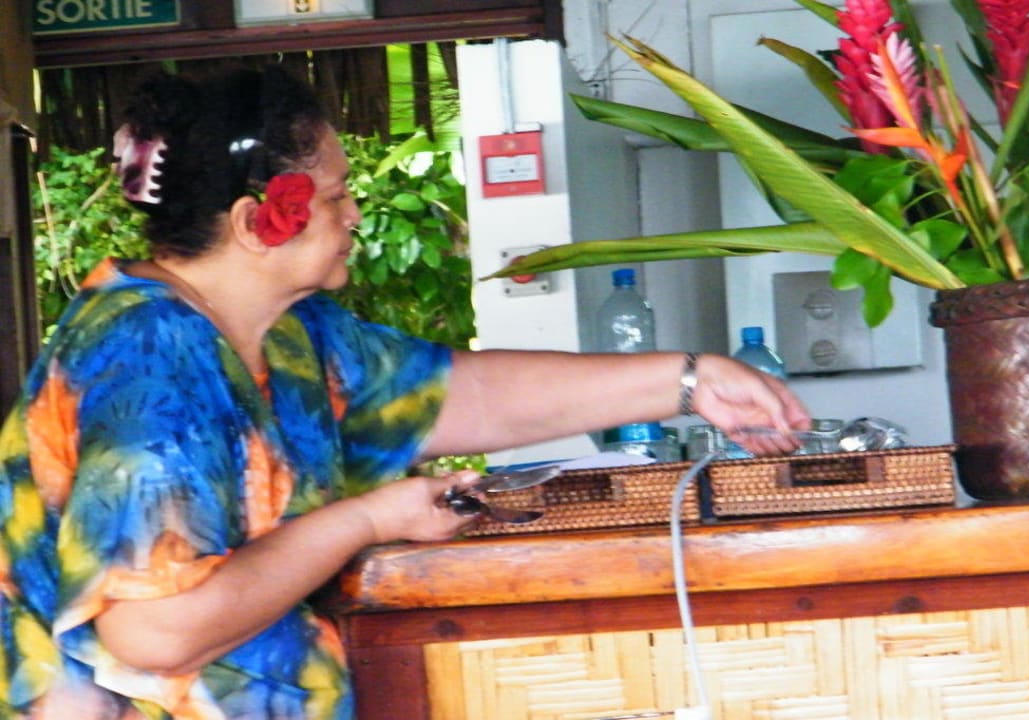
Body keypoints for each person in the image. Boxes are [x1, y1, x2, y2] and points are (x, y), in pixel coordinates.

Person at [0, 66, 810, 719]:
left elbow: (458, 397)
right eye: (333, 197)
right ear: (256, 223)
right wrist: (370, 519)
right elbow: (154, 631)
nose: (355, 214)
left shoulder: (288, 331)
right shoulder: (151, 364)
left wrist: (689, 380)